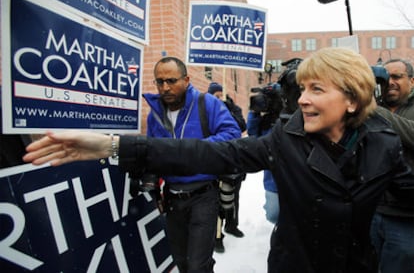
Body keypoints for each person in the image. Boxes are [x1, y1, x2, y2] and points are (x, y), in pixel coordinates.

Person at [23, 47, 414, 273]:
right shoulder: (287, 141)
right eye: (303, 88)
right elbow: (208, 151)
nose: (303, 99)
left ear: (352, 99)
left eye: (317, 89)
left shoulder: (385, 143)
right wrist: (113, 146)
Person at [131, 57, 241, 272]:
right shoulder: (155, 114)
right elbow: (153, 153)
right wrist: (153, 189)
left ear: (187, 79)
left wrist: (191, 150)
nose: (165, 87)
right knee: (181, 262)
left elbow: (231, 135)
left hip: (204, 196)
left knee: (197, 266)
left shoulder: (207, 103)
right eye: (159, 82)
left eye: (171, 81)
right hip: (172, 198)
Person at [370, 59, 414, 273]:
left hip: (406, 215)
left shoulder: (374, 111)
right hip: (371, 209)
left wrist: (375, 111)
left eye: (398, 77)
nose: (392, 82)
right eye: (388, 78)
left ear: (412, 81)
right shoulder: (369, 108)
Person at [207, 82, 247, 253]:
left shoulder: (233, 108)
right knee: (219, 200)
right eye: (215, 95)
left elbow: (242, 127)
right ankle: (217, 236)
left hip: (233, 161)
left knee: (233, 197)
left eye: (220, 95)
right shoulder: (206, 109)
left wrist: (229, 110)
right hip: (216, 161)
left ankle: (232, 225)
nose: (219, 98)